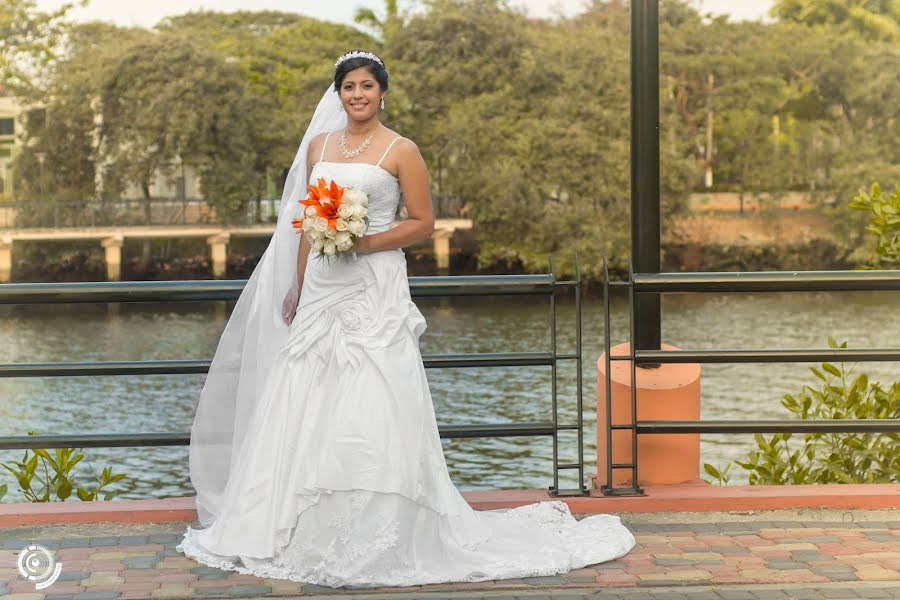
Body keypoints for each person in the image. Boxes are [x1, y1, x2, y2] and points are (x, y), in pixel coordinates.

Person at [176, 49, 635, 588]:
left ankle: (383, 523)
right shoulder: (319, 146)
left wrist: (363, 240)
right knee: (305, 389)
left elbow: (422, 223)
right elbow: (305, 221)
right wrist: (299, 285)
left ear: (382, 92)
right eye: (349, 87)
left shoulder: (402, 150)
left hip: (374, 287)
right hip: (324, 284)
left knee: (376, 390)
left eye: (367, 86)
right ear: (338, 93)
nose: (358, 95)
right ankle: (291, 519)